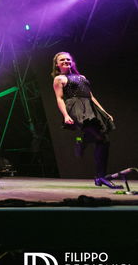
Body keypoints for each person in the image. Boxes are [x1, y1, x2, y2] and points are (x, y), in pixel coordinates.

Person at [51, 52, 121, 189]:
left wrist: (104, 112)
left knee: (104, 141)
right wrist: (65, 115)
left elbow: (91, 96)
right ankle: (99, 174)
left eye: (68, 59)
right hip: (75, 108)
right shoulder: (59, 79)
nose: (66, 61)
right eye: (62, 60)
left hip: (89, 107)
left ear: (72, 62)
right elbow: (59, 98)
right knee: (99, 138)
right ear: (57, 64)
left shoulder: (82, 77)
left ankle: (99, 175)